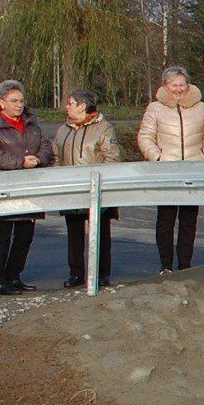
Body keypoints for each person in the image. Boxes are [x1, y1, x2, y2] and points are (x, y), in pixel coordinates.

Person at [0, 79, 53, 295]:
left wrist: (39, 158)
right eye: (14, 100)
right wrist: (20, 162)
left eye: (21, 100)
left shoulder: (30, 122)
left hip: (30, 186)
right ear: (2, 102)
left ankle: (15, 276)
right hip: (3, 185)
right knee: (1, 235)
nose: (19, 105)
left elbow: (45, 144)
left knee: (25, 233)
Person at [138, 65, 204, 273]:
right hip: (166, 172)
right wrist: (158, 157)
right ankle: (165, 265)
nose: (179, 89)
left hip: (194, 170)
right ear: (166, 86)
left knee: (189, 221)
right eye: (174, 85)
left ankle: (184, 265)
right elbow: (145, 137)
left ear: (188, 85)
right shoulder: (155, 108)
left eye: (182, 84)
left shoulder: (200, 107)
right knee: (165, 220)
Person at [52, 88, 121, 287]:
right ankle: (75, 273)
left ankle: (101, 273)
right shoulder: (63, 129)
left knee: (100, 232)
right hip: (71, 189)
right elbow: (56, 156)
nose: (66, 106)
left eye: (70, 102)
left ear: (82, 106)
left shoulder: (104, 127)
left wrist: (101, 182)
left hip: (97, 187)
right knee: (74, 232)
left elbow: (112, 157)